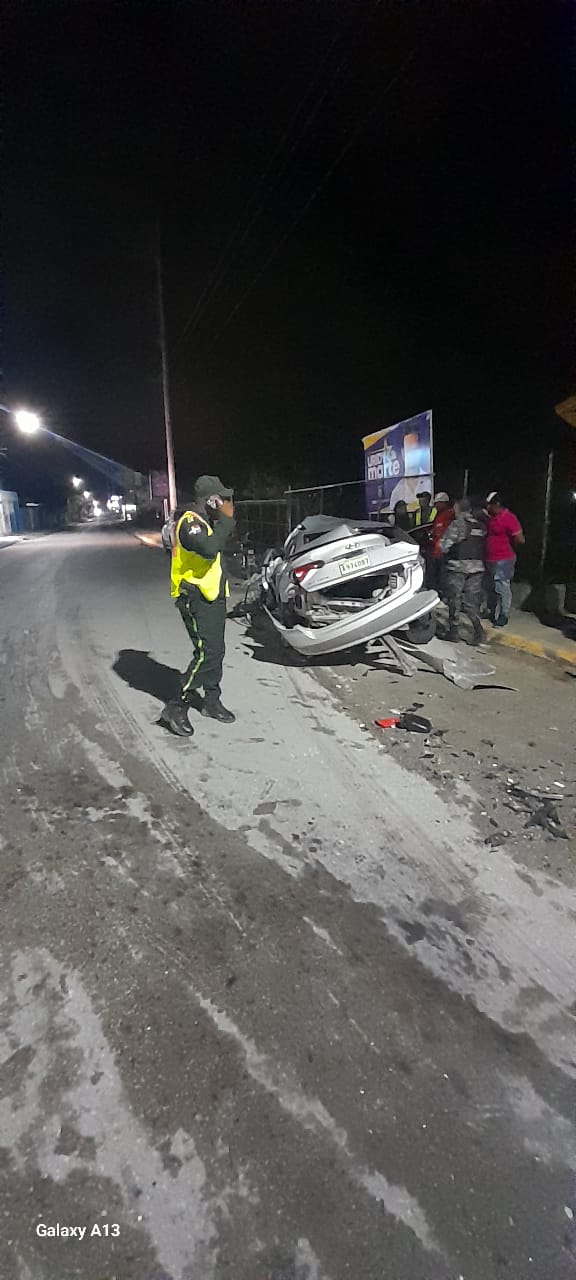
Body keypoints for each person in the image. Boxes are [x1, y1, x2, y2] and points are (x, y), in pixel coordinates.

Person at [161, 476, 236, 737]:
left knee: (216, 651)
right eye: (221, 499)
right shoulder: (190, 524)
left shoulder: (204, 521)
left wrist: (223, 520)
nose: (225, 503)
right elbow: (210, 547)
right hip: (195, 597)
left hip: (211, 596)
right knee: (207, 653)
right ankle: (176, 705)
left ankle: (212, 702)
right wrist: (226, 519)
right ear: (210, 500)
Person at [440, 497, 486, 644]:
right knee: (471, 602)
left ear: (457, 508)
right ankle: (479, 631)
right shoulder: (479, 525)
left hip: (458, 567)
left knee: (455, 600)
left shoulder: (457, 524)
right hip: (477, 568)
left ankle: (453, 632)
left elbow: (444, 546)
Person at [484, 491, 524, 627]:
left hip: (503, 559)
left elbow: (520, 539)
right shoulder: (490, 517)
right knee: (490, 586)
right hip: (490, 558)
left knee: (502, 587)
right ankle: (491, 610)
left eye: (490, 505)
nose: (487, 508)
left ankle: (503, 615)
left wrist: (508, 547)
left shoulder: (509, 518)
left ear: (497, 504)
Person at [426, 492, 454, 597]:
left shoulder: (450, 515)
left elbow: (447, 533)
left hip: (444, 552)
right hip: (435, 551)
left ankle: (444, 596)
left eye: (438, 503)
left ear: (444, 503)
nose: (435, 505)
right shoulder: (438, 515)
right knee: (436, 576)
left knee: (444, 577)